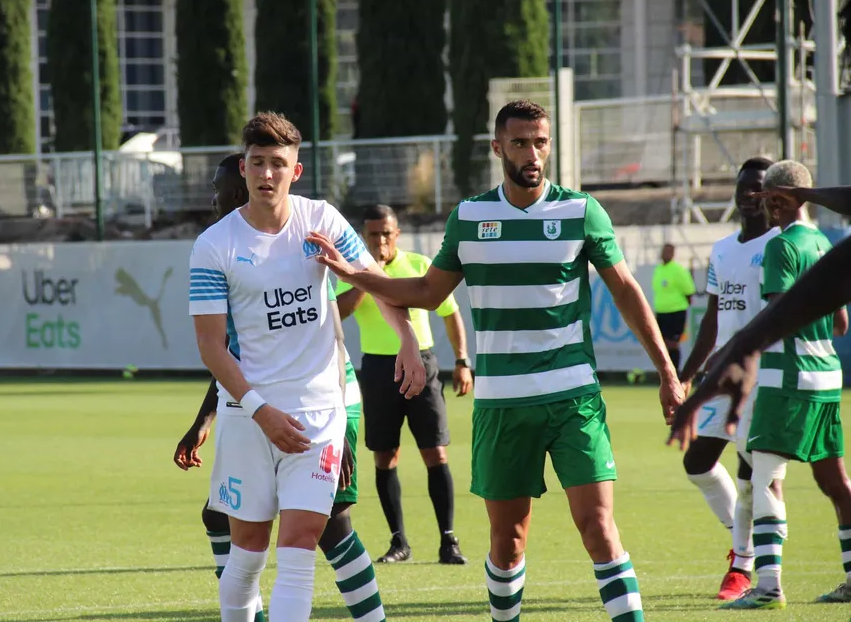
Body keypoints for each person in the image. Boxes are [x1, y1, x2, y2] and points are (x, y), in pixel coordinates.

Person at [308, 99, 684, 622]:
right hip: (503, 405)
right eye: (520, 143)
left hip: (573, 397)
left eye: (541, 142)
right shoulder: (470, 217)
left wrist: (667, 372)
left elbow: (626, 290)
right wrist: (353, 273)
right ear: (497, 148)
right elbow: (423, 290)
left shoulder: (580, 211)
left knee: (598, 527)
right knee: (508, 543)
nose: (533, 153)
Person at [188, 112, 426, 622]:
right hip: (248, 416)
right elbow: (211, 347)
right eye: (257, 163)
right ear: (245, 167)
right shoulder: (214, 246)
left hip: (318, 412)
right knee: (248, 555)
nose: (266, 174)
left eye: (278, 163)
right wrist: (260, 411)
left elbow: (372, 278)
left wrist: (406, 335)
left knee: (299, 548)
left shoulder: (321, 219)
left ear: (296, 170)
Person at [670, 161, 850, 610]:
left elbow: (775, 317)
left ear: (780, 198)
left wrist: (741, 355)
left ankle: (766, 584)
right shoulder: (823, 242)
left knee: (766, 479)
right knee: (836, 482)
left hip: (781, 376)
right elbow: (841, 323)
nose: (763, 205)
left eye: (769, 196)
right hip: (826, 377)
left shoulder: (781, 246)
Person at [335, 203, 474, 565]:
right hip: (379, 369)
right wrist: (371, 275)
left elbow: (450, 313)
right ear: (363, 237)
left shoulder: (419, 264)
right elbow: (342, 310)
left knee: (436, 452)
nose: (380, 239)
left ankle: (448, 540)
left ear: (397, 234)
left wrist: (462, 361)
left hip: (423, 364)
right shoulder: (351, 271)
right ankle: (399, 542)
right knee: (385, 455)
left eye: (386, 233)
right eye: (372, 235)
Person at [674, 157, 779, 601]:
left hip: (767, 374)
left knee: (753, 474)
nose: (747, 194)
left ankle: (742, 567)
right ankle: (744, 541)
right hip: (724, 374)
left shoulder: (781, 243)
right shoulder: (721, 249)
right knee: (697, 462)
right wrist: (682, 376)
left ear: (772, 196)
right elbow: (712, 322)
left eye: (757, 187)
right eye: (742, 186)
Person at [652, 243, 697, 373]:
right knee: (662, 344)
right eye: (664, 251)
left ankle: (675, 372)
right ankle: (665, 372)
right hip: (661, 312)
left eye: (668, 251)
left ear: (673, 254)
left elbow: (689, 291)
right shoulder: (658, 269)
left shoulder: (678, 270)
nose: (665, 254)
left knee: (673, 343)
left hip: (676, 312)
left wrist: (680, 308)